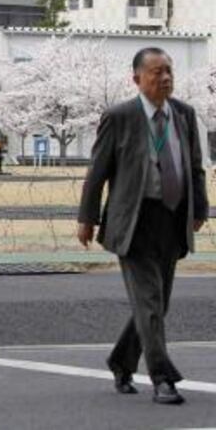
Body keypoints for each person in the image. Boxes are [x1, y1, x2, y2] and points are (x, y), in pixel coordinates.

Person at [78, 47, 209, 405]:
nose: (165, 77)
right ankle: (163, 378)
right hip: (133, 221)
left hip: (171, 220)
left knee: (157, 304)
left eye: (168, 70)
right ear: (137, 79)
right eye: (156, 72)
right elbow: (98, 171)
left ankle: (121, 361)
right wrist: (87, 217)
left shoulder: (183, 113)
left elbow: (194, 166)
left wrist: (200, 206)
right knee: (150, 303)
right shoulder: (119, 116)